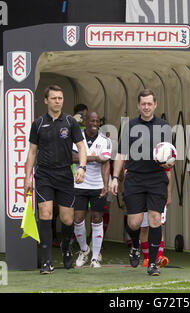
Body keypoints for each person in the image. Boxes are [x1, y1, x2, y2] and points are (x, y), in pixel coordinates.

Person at [110, 89, 174, 276]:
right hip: (135, 178)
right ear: (138, 105)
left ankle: (152, 263)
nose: (146, 107)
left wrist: (168, 162)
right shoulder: (130, 125)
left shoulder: (164, 126)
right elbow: (121, 154)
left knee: (155, 220)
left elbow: (169, 155)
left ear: (155, 104)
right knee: (135, 222)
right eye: (143, 104)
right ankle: (135, 245)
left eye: (149, 103)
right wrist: (115, 178)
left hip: (156, 179)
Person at [24, 85, 87, 274]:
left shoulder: (70, 122)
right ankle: (47, 262)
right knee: (45, 214)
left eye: (60, 98)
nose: (57, 101)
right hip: (43, 174)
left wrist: (82, 168)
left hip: (65, 175)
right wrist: (27, 178)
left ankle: (66, 247)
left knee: (68, 219)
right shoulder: (38, 123)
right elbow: (32, 151)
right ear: (46, 101)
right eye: (53, 98)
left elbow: (82, 148)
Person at [73, 111, 112, 268]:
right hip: (79, 184)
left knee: (97, 219)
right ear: (85, 121)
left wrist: (105, 185)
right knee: (77, 219)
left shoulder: (105, 141)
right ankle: (84, 250)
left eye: (97, 121)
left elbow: (106, 163)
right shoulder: (76, 137)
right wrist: (95, 158)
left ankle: (95, 258)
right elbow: (73, 157)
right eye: (92, 121)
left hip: (97, 185)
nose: (95, 124)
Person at [140, 168, 172, 268]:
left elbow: (168, 173)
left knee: (158, 224)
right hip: (141, 191)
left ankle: (159, 257)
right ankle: (146, 258)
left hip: (158, 191)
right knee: (144, 227)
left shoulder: (162, 152)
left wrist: (169, 194)